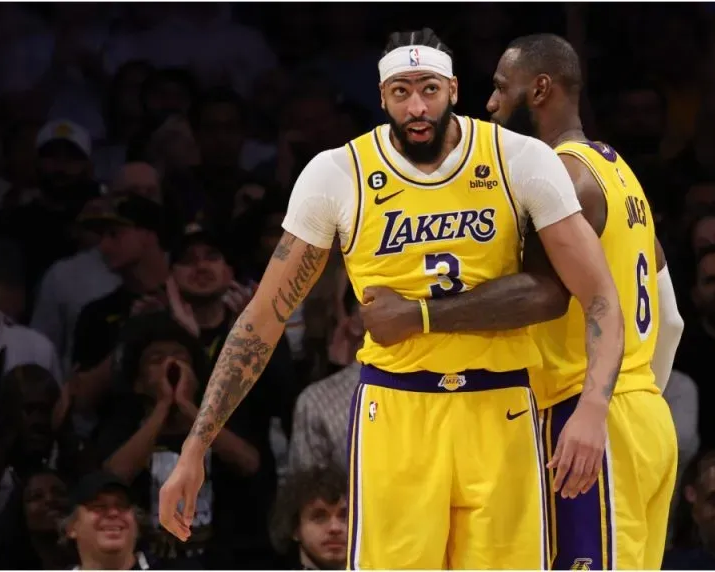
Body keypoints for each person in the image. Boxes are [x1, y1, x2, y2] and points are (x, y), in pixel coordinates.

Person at [159, 28, 626, 570]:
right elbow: (264, 318)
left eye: (429, 88)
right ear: (381, 98)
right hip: (397, 412)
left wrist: (593, 407)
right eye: (401, 92)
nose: (417, 106)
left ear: (453, 88)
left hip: (500, 409)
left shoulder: (520, 160)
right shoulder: (337, 174)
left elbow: (601, 298)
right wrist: (196, 446)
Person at [358, 33, 685, 569]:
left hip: (584, 416)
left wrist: (419, 316)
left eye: (500, 89)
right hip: (647, 416)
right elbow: (669, 318)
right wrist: (632, 396)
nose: (488, 105)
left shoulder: (558, 178)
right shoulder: (618, 171)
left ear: (539, 89)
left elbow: (545, 294)